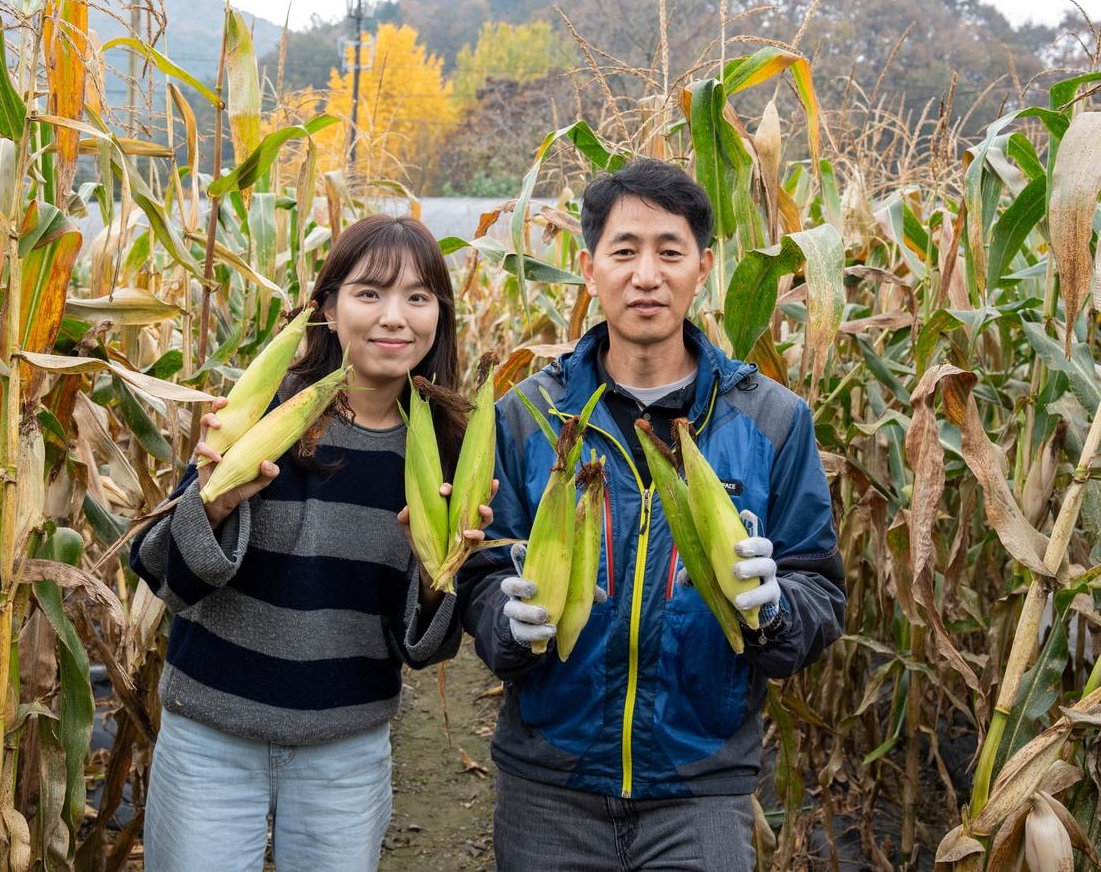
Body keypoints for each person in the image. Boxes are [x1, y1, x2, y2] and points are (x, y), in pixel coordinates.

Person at [456, 159, 845, 870]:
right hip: (550, 785)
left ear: (702, 268)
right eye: (624, 251)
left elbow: (818, 584)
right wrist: (503, 623)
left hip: (701, 790)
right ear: (589, 266)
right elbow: (480, 575)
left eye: (669, 252)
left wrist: (777, 610)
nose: (646, 274)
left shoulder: (774, 420)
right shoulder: (526, 416)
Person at [131, 214, 491, 871]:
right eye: (369, 292)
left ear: (440, 314)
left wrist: (440, 571)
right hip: (213, 738)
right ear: (326, 305)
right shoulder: (262, 412)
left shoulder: (445, 451)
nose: (395, 317)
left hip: (344, 753)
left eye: (418, 297)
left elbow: (426, 648)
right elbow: (162, 575)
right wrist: (212, 505)